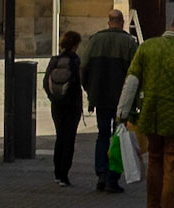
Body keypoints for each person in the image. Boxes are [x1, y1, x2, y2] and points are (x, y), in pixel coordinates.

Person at [116, 13, 174, 208]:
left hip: (151, 116)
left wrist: (122, 112)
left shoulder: (146, 48)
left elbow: (131, 81)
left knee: (155, 162)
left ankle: (152, 204)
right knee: (173, 168)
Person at [82, 10, 139, 193]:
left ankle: (101, 174)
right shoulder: (129, 42)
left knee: (102, 135)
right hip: (122, 99)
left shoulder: (95, 40)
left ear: (109, 22)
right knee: (119, 137)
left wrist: (90, 91)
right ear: (122, 22)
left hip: (100, 97)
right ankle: (112, 178)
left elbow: (83, 68)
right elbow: (136, 73)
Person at [46, 28, 86, 187]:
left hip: (57, 105)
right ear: (76, 45)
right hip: (72, 106)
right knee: (69, 140)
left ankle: (57, 173)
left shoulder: (54, 60)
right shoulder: (75, 61)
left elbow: (45, 83)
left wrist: (54, 98)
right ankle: (64, 174)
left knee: (60, 137)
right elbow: (77, 82)